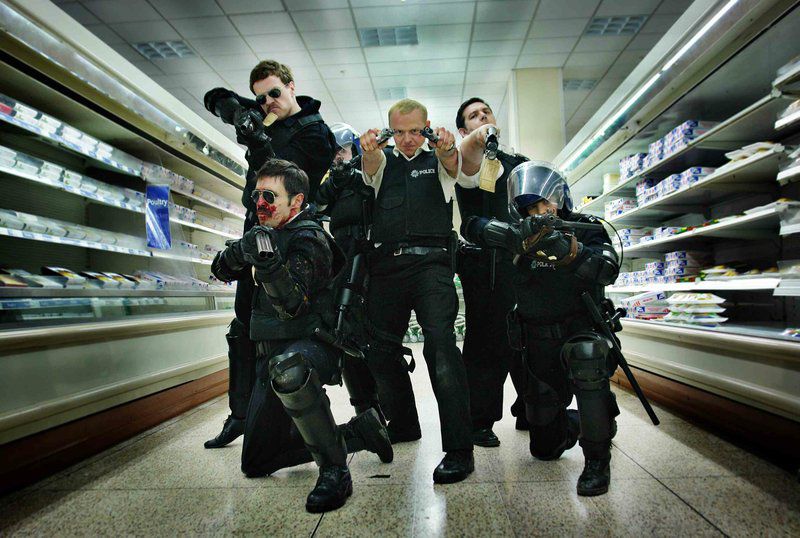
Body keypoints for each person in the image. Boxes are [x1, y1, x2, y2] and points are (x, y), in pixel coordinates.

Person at [210, 159, 392, 513]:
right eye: (257, 194)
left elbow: (292, 305)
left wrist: (267, 263)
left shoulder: (310, 238)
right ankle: (358, 434)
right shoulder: (264, 229)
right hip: (272, 352)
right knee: (257, 462)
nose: (261, 203)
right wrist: (242, 250)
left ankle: (335, 471)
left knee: (289, 369)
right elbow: (219, 269)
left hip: (314, 346)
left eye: (270, 196)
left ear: (296, 202)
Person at [461, 161, 621, 496]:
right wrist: (510, 235)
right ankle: (591, 420)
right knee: (544, 450)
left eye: (546, 203)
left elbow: (607, 270)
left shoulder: (587, 228)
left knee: (587, 356)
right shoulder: (519, 237)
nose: (542, 211)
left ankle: (596, 460)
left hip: (580, 330)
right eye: (533, 207)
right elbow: (471, 225)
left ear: (560, 199)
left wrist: (570, 252)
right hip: (537, 343)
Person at [203, 60, 337, 449]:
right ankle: (240, 416)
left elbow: (288, 183)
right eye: (261, 97)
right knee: (242, 329)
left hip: (290, 242)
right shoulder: (264, 114)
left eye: (275, 93)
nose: (269, 102)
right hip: (254, 233)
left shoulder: (315, 133)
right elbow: (214, 97)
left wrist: (260, 143)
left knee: (285, 330)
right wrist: (241, 113)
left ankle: (299, 419)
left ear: (292, 87)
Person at [359, 99, 476, 484]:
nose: (408, 140)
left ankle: (459, 449)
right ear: (390, 131)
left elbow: (452, 165)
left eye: (414, 131)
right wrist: (370, 152)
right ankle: (405, 423)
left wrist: (445, 149)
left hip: (432, 264)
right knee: (380, 349)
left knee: (441, 345)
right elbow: (371, 169)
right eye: (399, 132)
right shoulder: (381, 162)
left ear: (425, 126)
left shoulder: (439, 159)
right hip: (387, 266)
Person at [454, 97, 529, 447]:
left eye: (486, 113)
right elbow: (468, 159)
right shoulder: (465, 161)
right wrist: (479, 137)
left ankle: (532, 408)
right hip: (484, 268)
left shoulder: (518, 162)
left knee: (528, 338)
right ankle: (479, 421)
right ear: (463, 129)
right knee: (486, 344)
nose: (482, 118)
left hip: (523, 265)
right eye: (473, 116)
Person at [315, 123, 384, 419]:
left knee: (375, 333)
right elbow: (314, 206)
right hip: (341, 258)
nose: (338, 157)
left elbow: (378, 191)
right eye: (333, 152)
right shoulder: (332, 182)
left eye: (342, 150)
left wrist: (356, 177)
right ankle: (365, 407)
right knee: (345, 331)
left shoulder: (370, 173)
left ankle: (383, 403)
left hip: (373, 257)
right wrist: (333, 184)